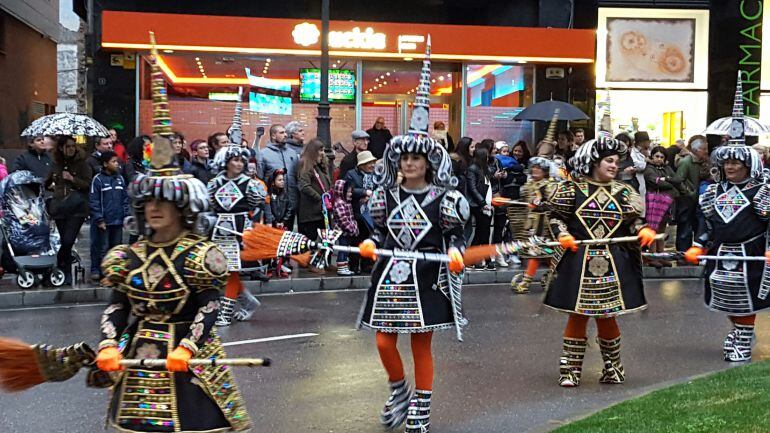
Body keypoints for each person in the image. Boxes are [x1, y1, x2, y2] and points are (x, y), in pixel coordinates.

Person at [95, 134, 251, 433]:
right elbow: (117, 304)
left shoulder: (200, 255)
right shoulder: (128, 256)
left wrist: (188, 348)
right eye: (148, 201)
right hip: (140, 354)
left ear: (182, 207)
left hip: (188, 357)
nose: (153, 208)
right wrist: (108, 344)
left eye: (162, 201)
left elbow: (210, 306)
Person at [358, 44, 469, 431]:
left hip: (428, 276)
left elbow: (458, 235)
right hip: (391, 273)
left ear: (427, 162)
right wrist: (371, 244)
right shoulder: (382, 196)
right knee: (384, 342)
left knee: (421, 344)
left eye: (416, 158)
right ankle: (398, 390)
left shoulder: (447, 198)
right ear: (396, 162)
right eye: (403, 158)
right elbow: (375, 231)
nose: (409, 163)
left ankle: (421, 405)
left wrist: (456, 254)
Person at [545, 136, 656, 387]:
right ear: (594, 162)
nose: (614, 165)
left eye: (617, 161)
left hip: (613, 262)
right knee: (577, 316)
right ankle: (570, 371)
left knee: (608, 316)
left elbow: (634, 222)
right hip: (578, 261)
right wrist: (562, 234)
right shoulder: (570, 189)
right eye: (609, 160)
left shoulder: (625, 192)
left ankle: (614, 368)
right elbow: (555, 217)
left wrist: (643, 229)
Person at [684, 80, 770, 362]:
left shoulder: (761, 190)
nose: (731, 167)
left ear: (748, 165)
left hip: (752, 252)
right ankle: (739, 331)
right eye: (727, 164)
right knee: (724, 294)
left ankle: (743, 338)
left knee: (747, 296)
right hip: (721, 252)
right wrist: (698, 244)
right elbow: (706, 223)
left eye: (736, 163)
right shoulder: (713, 191)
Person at [208, 144, 265, 327]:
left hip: (238, 232)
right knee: (219, 272)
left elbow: (257, 206)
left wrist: (250, 229)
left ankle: (225, 313)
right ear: (226, 162)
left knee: (231, 270)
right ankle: (248, 302)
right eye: (235, 160)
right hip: (217, 232)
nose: (239, 164)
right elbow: (207, 206)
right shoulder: (214, 183)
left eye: (242, 160)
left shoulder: (249, 184)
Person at [45, 136, 92, 285]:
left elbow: (87, 184)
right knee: (64, 239)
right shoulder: (56, 164)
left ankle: (60, 263)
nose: (71, 149)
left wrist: (72, 179)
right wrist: (52, 185)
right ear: (61, 148)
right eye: (68, 146)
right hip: (60, 207)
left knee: (68, 240)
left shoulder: (82, 164)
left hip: (77, 207)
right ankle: (65, 273)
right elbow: (47, 183)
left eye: (73, 146)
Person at [510, 157, 560, 293]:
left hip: (546, 226)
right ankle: (556, 276)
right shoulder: (529, 185)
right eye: (534, 167)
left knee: (538, 253)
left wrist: (542, 203)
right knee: (544, 253)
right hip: (532, 224)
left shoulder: (551, 185)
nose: (535, 170)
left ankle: (526, 281)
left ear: (545, 171)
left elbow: (554, 204)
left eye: (539, 168)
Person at [643, 146, 687, 267]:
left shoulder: (667, 168)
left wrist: (666, 179)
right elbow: (655, 181)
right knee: (652, 229)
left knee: (662, 229)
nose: (659, 159)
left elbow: (677, 179)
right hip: (653, 201)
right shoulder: (649, 169)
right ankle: (652, 256)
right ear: (652, 156)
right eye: (657, 156)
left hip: (666, 202)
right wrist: (668, 181)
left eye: (662, 157)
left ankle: (661, 254)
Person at [88, 151, 129, 281]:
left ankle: (115, 272)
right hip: (104, 221)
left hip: (117, 221)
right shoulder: (98, 179)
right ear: (105, 164)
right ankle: (98, 270)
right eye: (113, 161)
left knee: (116, 249)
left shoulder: (120, 179)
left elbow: (125, 199)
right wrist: (99, 219)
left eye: (117, 161)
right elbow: (94, 201)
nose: (117, 164)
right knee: (101, 248)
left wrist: (126, 216)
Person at [257, 124, 299, 227]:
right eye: (281, 133)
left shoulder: (292, 153)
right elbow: (260, 180)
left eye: (285, 132)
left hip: (291, 203)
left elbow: (297, 177)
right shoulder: (263, 154)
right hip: (272, 204)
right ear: (273, 136)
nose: (285, 135)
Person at [344, 150, 377, 274]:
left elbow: (379, 188)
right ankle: (354, 265)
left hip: (371, 213)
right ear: (362, 165)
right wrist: (364, 192)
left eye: (373, 162)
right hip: (356, 213)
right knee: (356, 240)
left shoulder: (375, 175)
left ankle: (367, 265)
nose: (372, 165)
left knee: (370, 239)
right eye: (369, 163)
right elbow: (348, 190)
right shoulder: (351, 174)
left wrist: (371, 195)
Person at [675, 135, 710, 252]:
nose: (706, 151)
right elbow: (678, 181)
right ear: (695, 149)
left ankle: (695, 253)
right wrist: (689, 193)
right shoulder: (685, 162)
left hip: (698, 201)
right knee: (685, 228)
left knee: (698, 227)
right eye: (704, 149)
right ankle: (683, 254)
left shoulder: (704, 162)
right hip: (686, 201)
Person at [297, 138, 333, 241]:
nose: (323, 153)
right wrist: (320, 198)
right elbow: (304, 185)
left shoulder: (319, 166)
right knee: (310, 243)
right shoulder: (306, 164)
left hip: (322, 213)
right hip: (311, 215)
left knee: (326, 242)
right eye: (320, 150)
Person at [467, 141, 494, 269]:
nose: (489, 159)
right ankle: (481, 259)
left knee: (483, 232)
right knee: (482, 232)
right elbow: (472, 188)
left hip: (485, 203)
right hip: (478, 205)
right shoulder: (473, 169)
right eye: (487, 157)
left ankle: (480, 259)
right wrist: (483, 203)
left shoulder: (484, 169)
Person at [332, 179, 359, 276]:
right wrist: (351, 228)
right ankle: (341, 267)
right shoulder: (339, 203)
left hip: (347, 231)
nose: (350, 194)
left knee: (346, 249)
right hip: (342, 231)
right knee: (343, 249)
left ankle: (344, 266)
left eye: (351, 192)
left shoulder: (346, 202)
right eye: (348, 192)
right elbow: (343, 219)